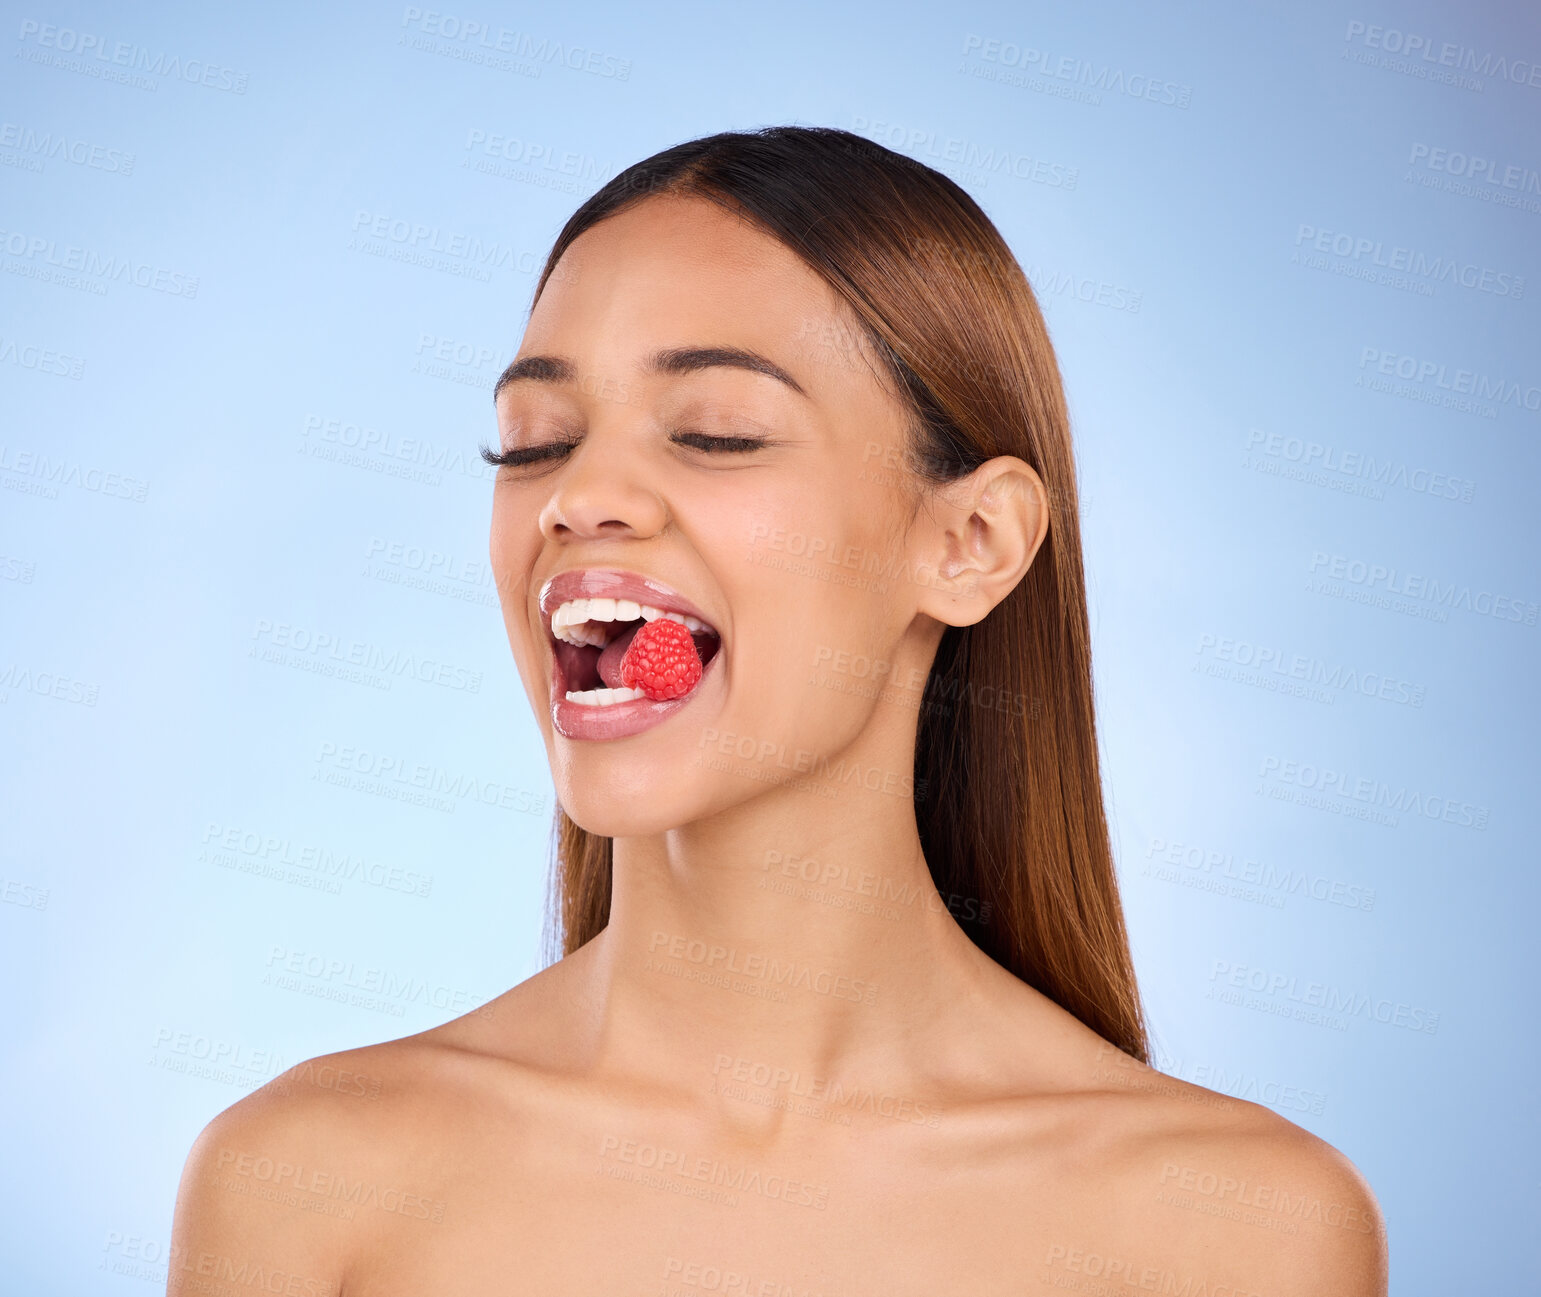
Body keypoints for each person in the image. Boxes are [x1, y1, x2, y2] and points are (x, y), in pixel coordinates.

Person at [168, 126, 1386, 1294]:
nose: (578, 495)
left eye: (715, 432)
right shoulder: (296, 1185)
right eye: (531, 444)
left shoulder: (1241, 1231)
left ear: (969, 542)